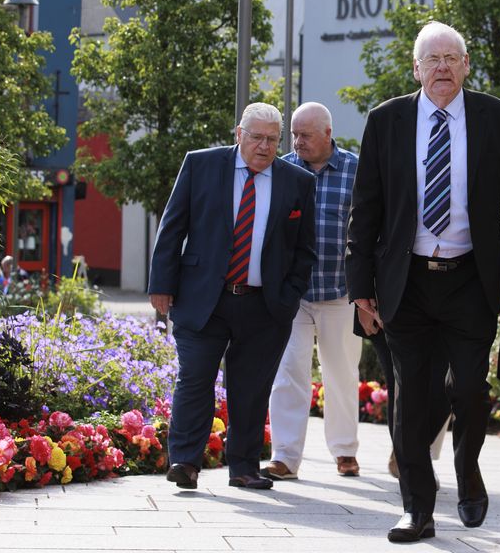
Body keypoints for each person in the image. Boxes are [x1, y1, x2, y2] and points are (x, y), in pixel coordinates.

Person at [346, 21, 500, 542]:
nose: (442, 68)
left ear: (466, 66)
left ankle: (468, 471)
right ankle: (417, 508)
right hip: (405, 279)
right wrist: (359, 285)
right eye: (431, 60)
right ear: (416, 69)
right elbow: (365, 208)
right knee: (409, 395)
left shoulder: (495, 118)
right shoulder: (386, 120)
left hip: (469, 279)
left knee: (471, 390)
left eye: (452, 58)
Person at [148, 102, 316, 491]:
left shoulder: (298, 182)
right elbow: (173, 227)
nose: (264, 146)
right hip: (204, 298)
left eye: (273, 140)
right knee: (195, 379)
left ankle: (243, 467)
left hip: (265, 304)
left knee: (251, 388)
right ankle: (185, 463)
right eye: (256, 137)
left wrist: (288, 296)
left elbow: (304, 249)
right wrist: (162, 284)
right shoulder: (201, 165)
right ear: (238, 134)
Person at [260, 102, 363, 480]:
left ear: (328, 134)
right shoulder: (281, 169)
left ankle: (344, 451)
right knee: (289, 373)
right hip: (293, 294)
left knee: (341, 373)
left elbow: (369, 227)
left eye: (305, 135)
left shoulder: (356, 169)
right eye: (294, 134)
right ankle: (285, 457)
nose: (297, 142)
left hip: (341, 290)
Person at [354, 306, 451, 483]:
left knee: (444, 384)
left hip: (448, 304)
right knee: (400, 383)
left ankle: (412, 453)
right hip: (388, 301)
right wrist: (362, 301)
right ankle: (409, 461)